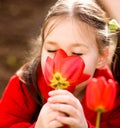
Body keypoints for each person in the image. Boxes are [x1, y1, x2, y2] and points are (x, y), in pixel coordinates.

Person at [0, 0, 120, 128]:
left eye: (77, 53)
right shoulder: (26, 83)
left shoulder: (111, 92)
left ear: (101, 57)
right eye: (51, 50)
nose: (62, 61)